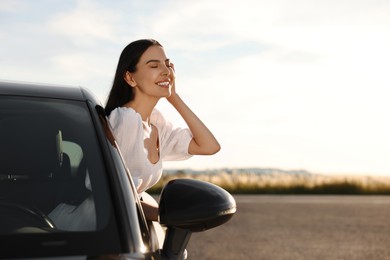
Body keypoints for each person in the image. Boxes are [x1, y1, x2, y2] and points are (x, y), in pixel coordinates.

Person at [105, 39, 220, 222]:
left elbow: (209, 146)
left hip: (125, 225)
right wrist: (165, 217)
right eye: (154, 66)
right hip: (101, 226)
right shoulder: (125, 121)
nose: (166, 71)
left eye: (167, 64)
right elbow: (113, 197)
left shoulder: (156, 125)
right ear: (130, 78)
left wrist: (173, 96)